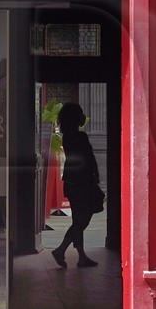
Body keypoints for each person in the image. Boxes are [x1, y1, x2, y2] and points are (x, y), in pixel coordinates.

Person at [51, 102, 104, 268]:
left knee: (77, 219)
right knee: (82, 220)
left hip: (72, 181)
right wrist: (95, 177)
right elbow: (89, 159)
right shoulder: (80, 137)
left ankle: (81, 256)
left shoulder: (67, 136)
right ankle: (60, 249)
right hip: (83, 182)